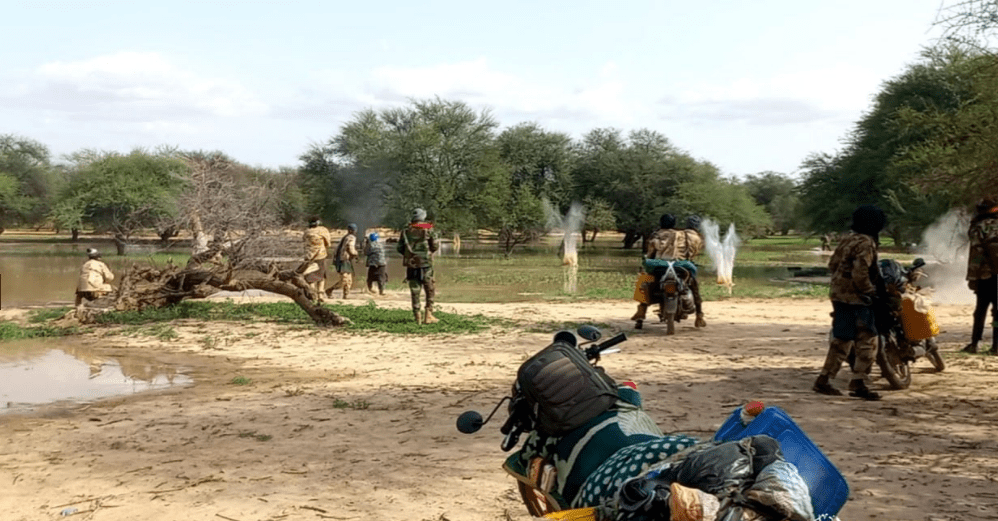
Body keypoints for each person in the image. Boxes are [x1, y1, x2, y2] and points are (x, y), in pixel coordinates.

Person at [813, 205, 887, 401]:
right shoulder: (866, 242)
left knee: (841, 339)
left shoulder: (847, 239)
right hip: (857, 299)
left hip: (839, 295)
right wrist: (870, 292)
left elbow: (832, 265)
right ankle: (859, 381)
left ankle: (824, 379)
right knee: (868, 339)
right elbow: (860, 272)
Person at [631, 213, 707, 328]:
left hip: (660, 267)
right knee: (694, 286)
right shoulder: (682, 235)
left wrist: (650, 260)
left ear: (660, 223)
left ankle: (641, 312)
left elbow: (651, 251)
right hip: (680, 267)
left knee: (646, 283)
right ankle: (699, 315)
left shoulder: (656, 235)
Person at [962, 196, 998, 355]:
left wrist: (972, 278)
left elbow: (976, 255)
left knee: (980, 311)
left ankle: (975, 343)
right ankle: (996, 347)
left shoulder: (980, 227)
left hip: (985, 276)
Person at [397, 208, 439, 324]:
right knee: (429, 288)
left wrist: (410, 255)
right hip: (425, 264)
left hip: (411, 264)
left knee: (415, 290)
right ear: (423, 217)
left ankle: (417, 316)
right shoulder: (428, 228)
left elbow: (399, 248)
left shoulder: (406, 230)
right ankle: (428, 315)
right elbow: (435, 246)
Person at [301, 217, 331, 303]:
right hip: (320, 255)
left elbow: (304, 242)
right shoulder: (323, 230)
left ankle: (312, 294)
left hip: (309, 257)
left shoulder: (306, 232)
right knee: (321, 276)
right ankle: (320, 294)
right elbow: (328, 243)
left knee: (310, 276)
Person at [329, 223, 359, 299]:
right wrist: (356, 254)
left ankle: (344, 294)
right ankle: (343, 294)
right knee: (346, 279)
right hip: (344, 260)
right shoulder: (351, 238)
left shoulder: (345, 237)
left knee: (346, 279)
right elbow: (351, 249)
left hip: (341, 260)